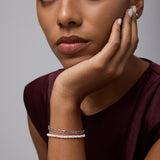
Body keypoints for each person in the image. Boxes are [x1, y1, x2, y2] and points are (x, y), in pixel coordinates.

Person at [23, 0, 160, 159]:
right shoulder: (40, 96)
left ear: (135, 2)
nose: (65, 16)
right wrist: (65, 98)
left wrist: (66, 96)